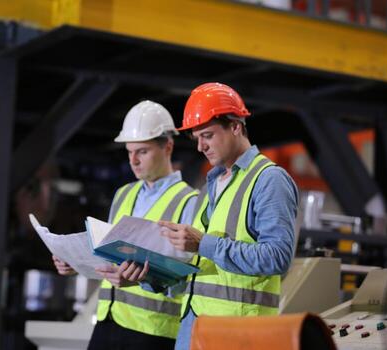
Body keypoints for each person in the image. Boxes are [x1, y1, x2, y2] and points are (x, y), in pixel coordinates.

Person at [159, 83, 299, 350]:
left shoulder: (269, 179)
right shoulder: (210, 184)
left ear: (236, 126)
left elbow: (278, 257)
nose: (200, 147)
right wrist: (154, 275)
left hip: (239, 335)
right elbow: (204, 271)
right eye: (196, 138)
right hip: (195, 327)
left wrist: (203, 244)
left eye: (208, 135)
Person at [52, 100, 198, 350]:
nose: (134, 161)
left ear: (168, 147)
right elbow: (108, 253)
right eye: (129, 152)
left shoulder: (189, 202)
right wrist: (75, 262)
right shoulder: (123, 194)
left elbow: (187, 280)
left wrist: (144, 278)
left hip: (152, 331)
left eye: (142, 151)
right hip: (108, 319)